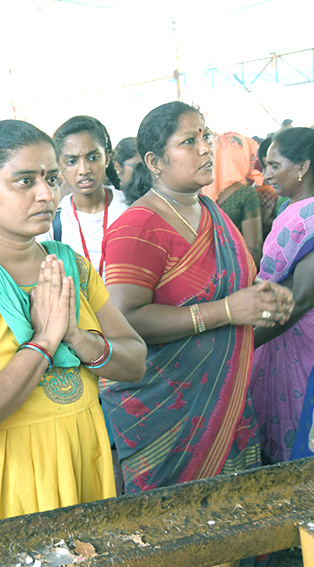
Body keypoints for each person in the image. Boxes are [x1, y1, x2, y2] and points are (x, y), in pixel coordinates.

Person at [0, 119, 147, 531]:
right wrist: (43, 342)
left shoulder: (70, 266)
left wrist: (75, 335)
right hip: (4, 483)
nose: (47, 194)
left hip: (82, 462)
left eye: (51, 178)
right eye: (24, 180)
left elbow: (135, 362)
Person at [101, 101, 294, 494]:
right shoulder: (138, 226)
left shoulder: (212, 212)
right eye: (189, 141)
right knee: (175, 530)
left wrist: (262, 299)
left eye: (205, 136)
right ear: (155, 161)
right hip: (166, 410)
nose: (206, 148)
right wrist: (226, 310)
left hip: (226, 400)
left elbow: (236, 287)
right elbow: (125, 319)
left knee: (233, 520)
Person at [250, 126, 314, 464]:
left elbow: (301, 299)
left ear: (302, 167)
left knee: (299, 434)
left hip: (299, 340)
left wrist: (244, 345)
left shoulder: (306, 216)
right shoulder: (293, 208)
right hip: (288, 336)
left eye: (275, 165)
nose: (266, 174)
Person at [40, 116, 128, 276]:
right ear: (59, 165)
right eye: (72, 161)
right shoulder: (52, 222)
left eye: (93, 158)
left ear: (107, 158)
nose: (84, 169)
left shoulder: (131, 208)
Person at [201, 132, 263, 267]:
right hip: (234, 271)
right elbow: (254, 249)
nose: (252, 161)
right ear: (241, 157)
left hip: (206, 270)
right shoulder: (246, 194)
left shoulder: (201, 190)